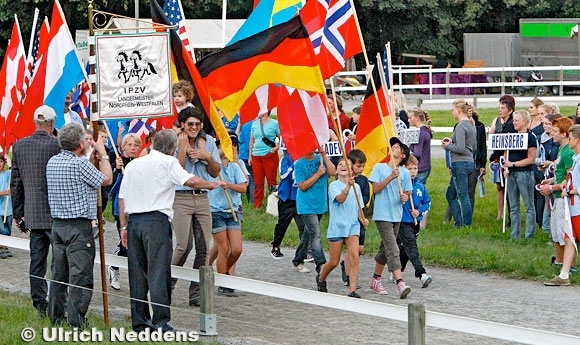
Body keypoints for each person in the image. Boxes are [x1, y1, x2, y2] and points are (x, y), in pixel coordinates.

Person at [118, 129, 222, 332]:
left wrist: (123, 226)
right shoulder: (169, 162)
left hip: (134, 221)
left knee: (137, 274)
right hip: (156, 221)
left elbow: (122, 198)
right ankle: (160, 321)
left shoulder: (134, 164)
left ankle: (140, 322)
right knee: (158, 271)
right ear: (174, 149)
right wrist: (210, 185)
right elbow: (189, 180)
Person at [46, 123, 113, 327]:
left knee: (59, 273)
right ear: (78, 143)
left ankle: (55, 316)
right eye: (84, 139)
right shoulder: (80, 165)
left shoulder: (52, 162)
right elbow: (107, 179)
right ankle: (76, 320)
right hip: (78, 227)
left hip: (57, 225)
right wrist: (103, 154)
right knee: (80, 275)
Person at [10, 105, 61, 317]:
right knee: (58, 263)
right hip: (57, 215)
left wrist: (18, 215)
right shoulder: (57, 145)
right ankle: (58, 304)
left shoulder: (20, 146)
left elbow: (16, 184)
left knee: (37, 263)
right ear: (52, 123)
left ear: (35, 123)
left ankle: (40, 304)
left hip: (33, 214)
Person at [171, 106, 222, 307]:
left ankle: (196, 293)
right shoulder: (175, 140)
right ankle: (168, 284)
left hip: (202, 197)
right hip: (181, 197)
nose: (193, 127)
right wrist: (183, 149)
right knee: (184, 245)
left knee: (203, 249)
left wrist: (207, 156)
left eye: (197, 124)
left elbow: (216, 172)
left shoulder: (208, 141)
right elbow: (176, 171)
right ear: (182, 124)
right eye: (189, 124)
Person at [316, 157, 368, 298]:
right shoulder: (334, 186)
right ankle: (321, 277)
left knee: (354, 257)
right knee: (334, 261)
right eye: (340, 164)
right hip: (337, 227)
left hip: (352, 227)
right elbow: (340, 199)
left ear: (352, 170)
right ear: (336, 169)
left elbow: (359, 207)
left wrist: (363, 219)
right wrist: (347, 187)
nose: (343, 167)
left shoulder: (356, 187)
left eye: (347, 165)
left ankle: (352, 290)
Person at [368, 137, 413, 298]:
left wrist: (405, 198)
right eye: (392, 146)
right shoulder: (379, 168)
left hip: (396, 215)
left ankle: (376, 279)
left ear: (402, 155)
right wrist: (390, 177)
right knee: (393, 248)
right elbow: (376, 189)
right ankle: (400, 282)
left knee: (385, 248)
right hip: (382, 214)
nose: (394, 147)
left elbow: (407, 193)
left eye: (398, 147)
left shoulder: (405, 172)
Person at [209, 136, 247, 296]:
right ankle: (224, 282)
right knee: (223, 248)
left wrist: (228, 185)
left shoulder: (235, 167)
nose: (229, 148)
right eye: (224, 146)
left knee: (237, 249)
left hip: (233, 211)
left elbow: (243, 188)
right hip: (216, 211)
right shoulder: (212, 168)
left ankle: (223, 274)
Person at [544, 124, 580, 286]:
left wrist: (571, 191)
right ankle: (564, 274)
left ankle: (565, 273)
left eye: (571, 138)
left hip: (577, 206)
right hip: (572, 207)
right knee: (570, 239)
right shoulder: (575, 158)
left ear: (577, 140)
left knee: (571, 239)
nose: (569, 141)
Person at [292, 147, 335, 274]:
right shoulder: (299, 164)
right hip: (306, 205)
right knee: (315, 234)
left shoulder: (320, 159)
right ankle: (320, 264)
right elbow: (303, 186)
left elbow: (333, 172)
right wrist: (318, 174)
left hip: (320, 203)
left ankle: (298, 259)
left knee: (308, 233)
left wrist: (324, 155)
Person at [107, 133, 142, 291]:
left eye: (136, 145)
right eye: (129, 145)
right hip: (120, 208)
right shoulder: (118, 162)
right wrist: (118, 171)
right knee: (126, 243)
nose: (133, 148)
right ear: (123, 146)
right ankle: (114, 266)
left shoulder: (142, 164)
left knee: (136, 243)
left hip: (137, 206)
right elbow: (112, 189)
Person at [538, 117, 574, 267]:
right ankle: (559, 261)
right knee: (555, 232)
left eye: (555, 131)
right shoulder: (561, 149)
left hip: (563, 197)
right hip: (556, 194)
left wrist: (552, 188)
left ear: (564, 134)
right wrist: (550, 181)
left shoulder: (568, 153)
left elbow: (570, 179)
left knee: (563, 232)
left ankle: (569, 265)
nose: (552, 134)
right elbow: (560, 174)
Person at [396, 155, 432, 288]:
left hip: (415, 222)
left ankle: (397, 270)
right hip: (403, 222)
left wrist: (419, 211)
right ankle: (421, 274)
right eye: (409, 168)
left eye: (415, 168)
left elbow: (427, 202)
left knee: (406, 248)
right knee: (412, 247)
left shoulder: (420, 187)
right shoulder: (400, 185)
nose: (412, 171)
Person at [503, 110, 537, 240]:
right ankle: (514, 235)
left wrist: (513, 164)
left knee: (529, 205)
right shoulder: (511, 136)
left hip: (525, 173)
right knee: (513, 206)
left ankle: (529, 236)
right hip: (511, 174)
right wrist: (505, 165)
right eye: (514, 120)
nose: (514, 122)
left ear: (524, 121)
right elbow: (506, 153)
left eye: (517, 120)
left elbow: (531, 159)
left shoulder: (530, 137)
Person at [443, 99, 476, 228]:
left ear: (458, 110)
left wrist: (448, 146)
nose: (452, 112)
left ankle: (465, 224)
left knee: (463, 195)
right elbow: (473, 146)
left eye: (453, 110)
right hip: (468, 161)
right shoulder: (471, 125)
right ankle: (459, 221)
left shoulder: (461, 126)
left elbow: (461, 148)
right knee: (450, 195)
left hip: (460, 162)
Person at [341, 149, 370, 287]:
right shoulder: (345, 179)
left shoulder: (363, 181)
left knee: (360, 248)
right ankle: (348, 275)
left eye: (363, 166)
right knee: (352, 249)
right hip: (348, 216)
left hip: (359, 215)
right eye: (358, 166)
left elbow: (366, 197)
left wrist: (360, 199)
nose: (361, 169)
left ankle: (346, 264)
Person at [270, 144, 299, 259]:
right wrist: (293, 165)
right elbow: (283, 175)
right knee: (283, 224)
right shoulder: (285, 160)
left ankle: (305, 250)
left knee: (303, 226)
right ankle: (275, 246)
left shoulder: (303, 160)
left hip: (298, 197)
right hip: (286, 197)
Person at [489, 96, 516, 220]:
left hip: (506, 159)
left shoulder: (512, 124)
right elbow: (492, 136)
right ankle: (500, 214)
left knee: (508, 189)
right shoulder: (498, 121)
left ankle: (511, 216)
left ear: (510, 111)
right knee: (500, 186)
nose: (500, 110)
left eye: (503, 108)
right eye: (499, 107)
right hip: (498, 158)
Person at [249, 111, 280, 208]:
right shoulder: (254, 124)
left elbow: (282, 138)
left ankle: (273, 205)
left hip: (269, 155)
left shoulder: (275, 123)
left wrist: (275, 149)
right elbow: (251, 140)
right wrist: (250, 156)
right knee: (258, 182)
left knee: (272, 182)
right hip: (256, 155)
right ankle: (257, 204)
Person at [467, 109, 487, 214]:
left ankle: (468, 216)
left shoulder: (480, 126)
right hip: (460, 162)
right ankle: (447, 219)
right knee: (454, 191)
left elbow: (483, 146)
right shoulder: (458, 125)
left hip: (475, 163)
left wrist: (483, 165)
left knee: (471, 191)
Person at [408, 107, 433, 185]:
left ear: (417, 118)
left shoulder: (420, 132)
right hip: (425, 166)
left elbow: (417, 153)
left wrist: (404, 155)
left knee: (416, 192)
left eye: (410, 118)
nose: (408, 120)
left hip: (420, 167)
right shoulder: (425, 130)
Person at [238, 120, 254, 204]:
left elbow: (247, 142)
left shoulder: (245, 125)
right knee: (251, 180)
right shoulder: (253, 125)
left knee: (241, 179)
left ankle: (240, 200)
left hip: (243, 155)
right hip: (249, 156)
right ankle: (251, 201)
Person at [0, 154, 13, 259]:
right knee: (1, 229)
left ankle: (5, 246)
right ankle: (2, 247)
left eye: (0, 162)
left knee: (7, 228)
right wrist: (4, 192)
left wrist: (6, 153)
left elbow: (13, 167)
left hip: (7, 208)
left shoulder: (8, 174)